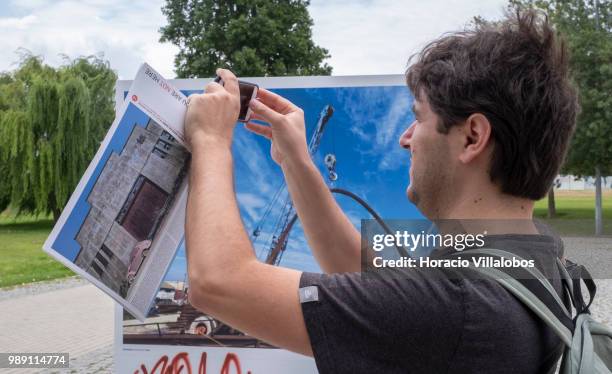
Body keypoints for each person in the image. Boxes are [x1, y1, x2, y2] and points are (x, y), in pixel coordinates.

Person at [183, 9, 578, 373]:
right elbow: (374, 281)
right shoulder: (536, 254)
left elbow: (219, 282)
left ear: (473, 136)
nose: (405, 139)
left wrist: (211, 140)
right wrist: (296, 163)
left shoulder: (460, 306)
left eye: (418, 119)